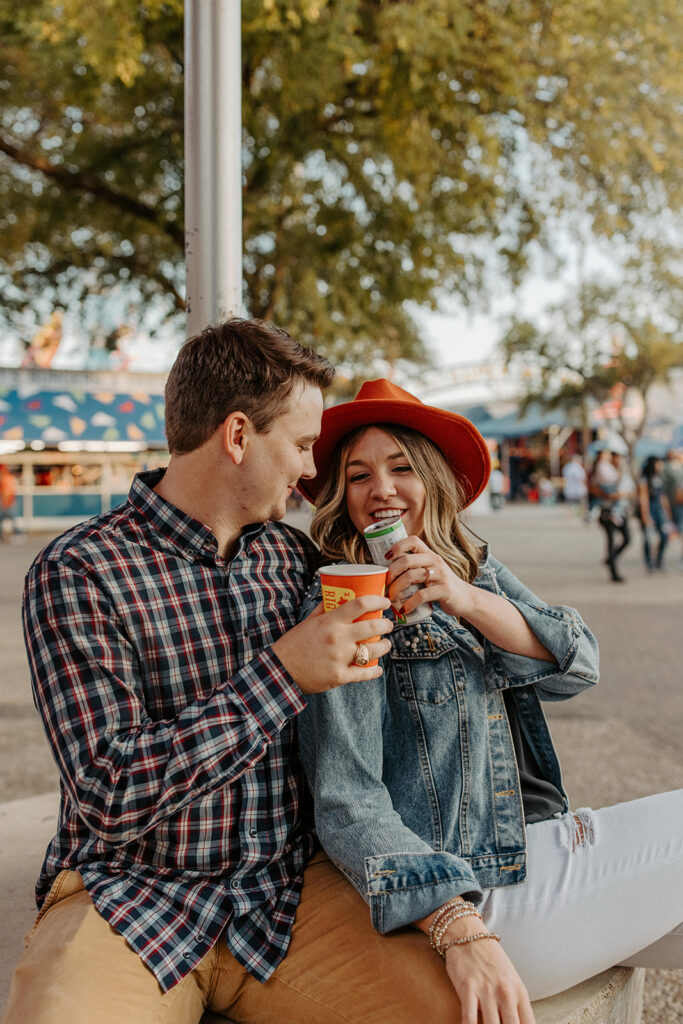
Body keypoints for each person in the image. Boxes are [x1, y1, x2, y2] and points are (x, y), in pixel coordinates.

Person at [3, 319, 400, 1024]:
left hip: (287, 896)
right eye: (303, 445)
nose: (312, 470)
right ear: (239, 436)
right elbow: (109, 792)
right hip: (128, 894)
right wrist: (282, 675)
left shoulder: (294, 559)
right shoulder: (78, 570)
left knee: (460, 1007)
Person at [296, 378, 683, 1024]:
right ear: (341, 494)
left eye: (399, 467)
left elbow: (577, 664)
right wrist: (456, 925)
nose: (380, 489)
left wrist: (464, 596)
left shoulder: (469, 565)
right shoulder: (345, 601)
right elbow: (346, 800)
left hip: (529, 850)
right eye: (358, 475)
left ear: (431, 479)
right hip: (472, 895)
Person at [589, 450, 635, 582]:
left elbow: (631, 491)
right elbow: (595, 490)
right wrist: (610, 496)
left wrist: (622, 495)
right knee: (610, 540)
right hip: (607, 512)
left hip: (621, 511)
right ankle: (614, 571)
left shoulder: (620, 473)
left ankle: (611, 558)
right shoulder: (601, 472)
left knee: (627, 539)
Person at [638, 455, 675, 571]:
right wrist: (645, 515)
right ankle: (649, 562)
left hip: (659, 510)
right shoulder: (644, 479)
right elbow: (643, 498)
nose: (661, 466)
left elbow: (663, 497)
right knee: (648, 538)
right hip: (650, 509)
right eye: (658, 464)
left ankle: (659, 559)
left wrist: (668, 512)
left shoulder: (660, 478)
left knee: (664, 535)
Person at [0, 464, 23, 542]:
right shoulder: (7, 477)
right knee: (11, 520)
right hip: (7, 503)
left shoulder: (6, 478)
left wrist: (5, 503)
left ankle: (19, 534)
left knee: (13, 520)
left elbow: (7, 492)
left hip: (7, 503)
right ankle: (18, 534)